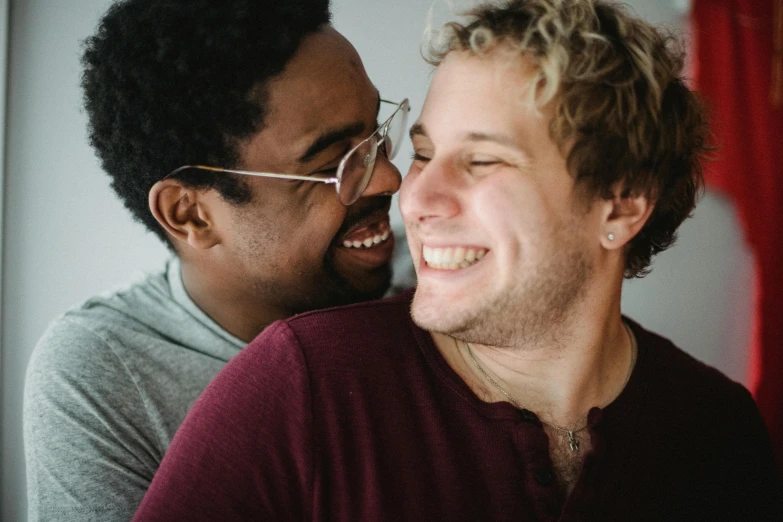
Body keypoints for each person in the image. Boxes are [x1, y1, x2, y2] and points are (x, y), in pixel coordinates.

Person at [133, 0, 782, 520]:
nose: (412, 196)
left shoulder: (717, 432)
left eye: (481, 160)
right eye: (422, 153)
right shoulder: (299, 387)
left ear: (619, 205)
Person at [22, 0, 409, 520]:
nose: (390, 180)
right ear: (191, 214)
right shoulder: (106, 375)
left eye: (377, 135)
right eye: (337, 165)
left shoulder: (431, 276)